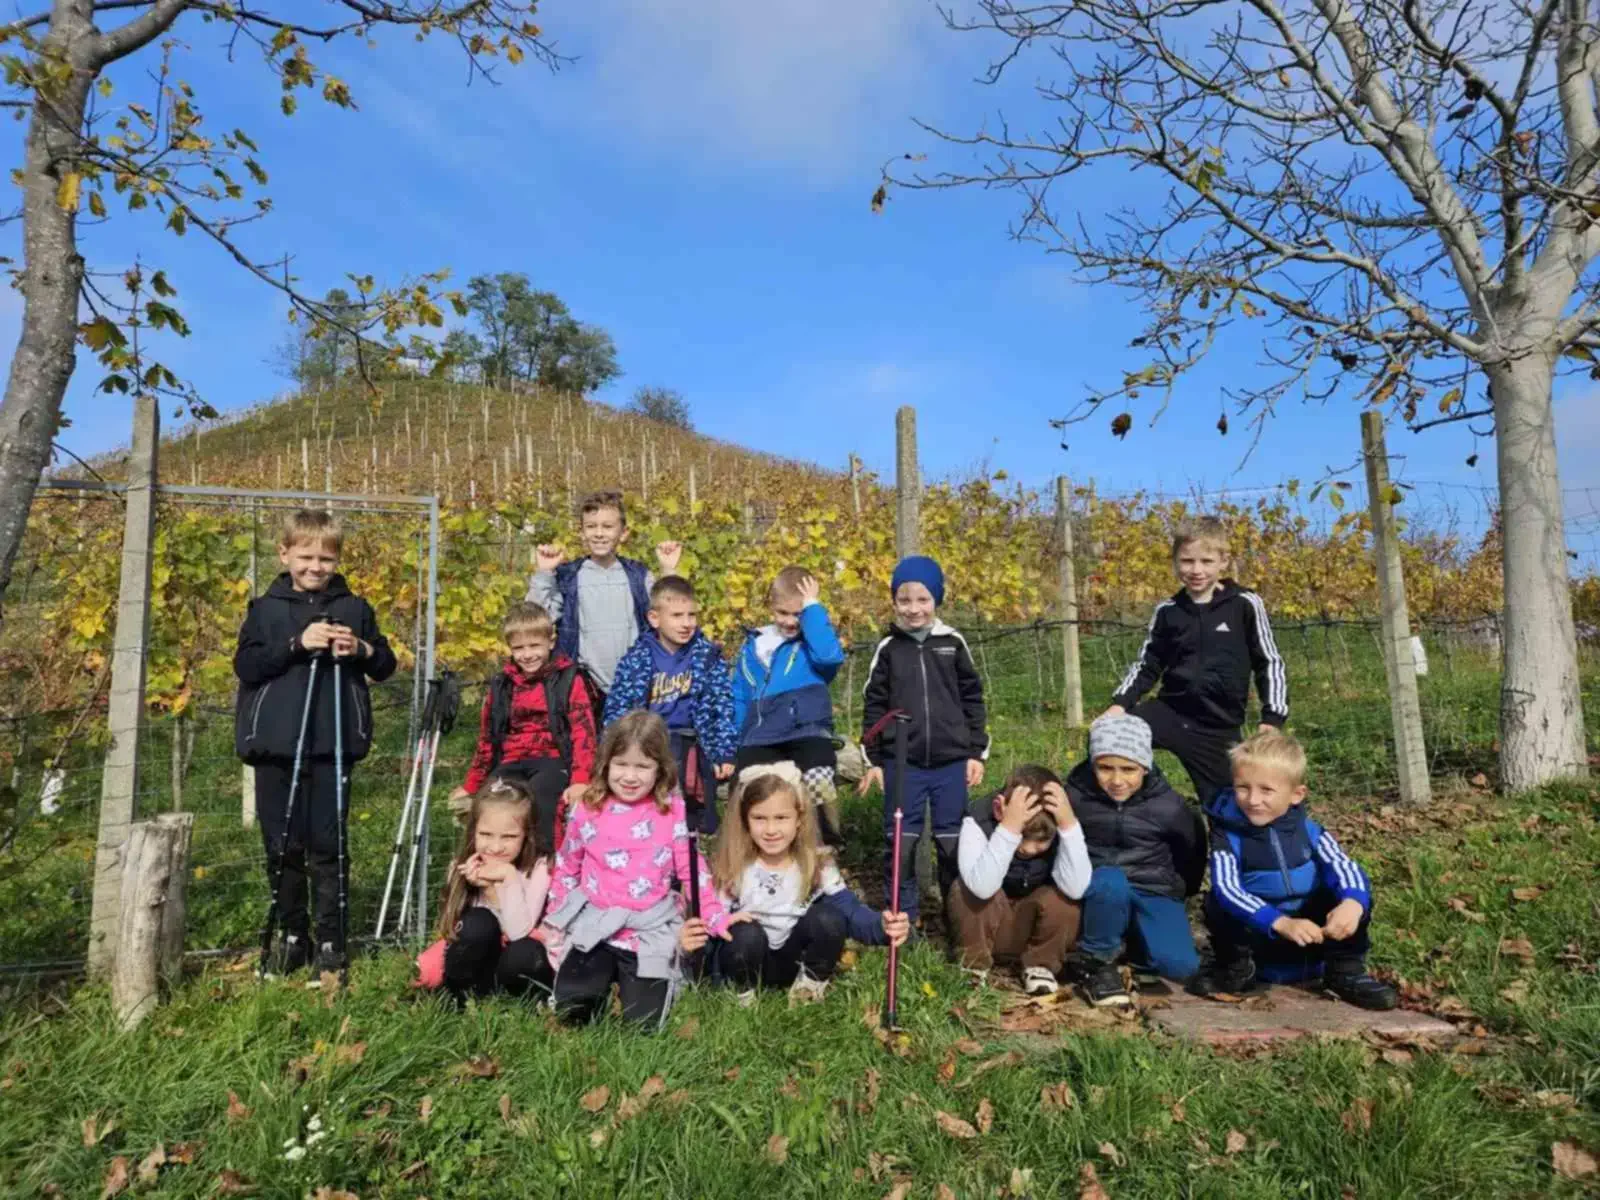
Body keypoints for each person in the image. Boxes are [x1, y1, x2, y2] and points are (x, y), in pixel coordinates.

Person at [234, 508, 396, 976]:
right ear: (285, 554)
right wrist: (296, 644)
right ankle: (291, 934)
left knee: (329, 843)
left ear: (337, 559)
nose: (315, 567)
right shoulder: (265, 609)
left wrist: (361, 650)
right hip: (275, 746)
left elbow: (384, 664)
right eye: (305, 556)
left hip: (333, 744)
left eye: (326, 558)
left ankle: (331, 937)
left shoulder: (353, 608)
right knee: (282, 844)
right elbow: (246, 667)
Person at [542, 710, 729, 1028]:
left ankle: (637, 986)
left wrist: (714, 915)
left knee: (644, 1024)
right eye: (622, 764)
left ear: (659, 769)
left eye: (642, 766)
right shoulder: (589, 806)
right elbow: (567, 864)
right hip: (596, 923)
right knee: (573, 1009)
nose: (630, 776)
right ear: (606, 764)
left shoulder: (670, 809)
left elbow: (691, 869)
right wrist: (555, 914)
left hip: (648, 928)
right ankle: (596, 980)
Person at [1194, 730, 1398, 1009]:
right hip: (1262, 934)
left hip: (1312, 933)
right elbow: (1228, 888)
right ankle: (1237, 968)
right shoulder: (1227, 835)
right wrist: (1278, 922)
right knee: (1219, 902)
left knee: (1352, 891)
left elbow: (1344, 866)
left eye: (1266, 790)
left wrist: (1353, 903)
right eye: (1243, 787)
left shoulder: (1308, 830)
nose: (1253, 800)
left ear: (1296, 795)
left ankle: (1344, 972)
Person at [1101, 515, 1288, 804]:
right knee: (1108, 739)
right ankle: (1132, 814)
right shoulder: (1168, 611)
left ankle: (1224, 844)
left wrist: (1271, 718)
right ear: (1175, 562)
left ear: (1223, 561)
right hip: (1171, 713)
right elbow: (1147, 664)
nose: (1196, 570)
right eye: (1187, 561)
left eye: (1206, 561)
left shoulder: (1245, 605)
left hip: (1218, 726)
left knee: (1229, 804)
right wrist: (1119, 704)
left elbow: (1269, 661)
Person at [703, 764, 909, 1005]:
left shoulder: (816, 864)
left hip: (792, 958)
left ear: (799, 819)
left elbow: (851, 912)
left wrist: (881, 927)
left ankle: (808, 986)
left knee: (828, 918)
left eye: (781, 818)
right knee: (745, 933)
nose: (771, 830)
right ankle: (741, 993)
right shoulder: (734, 866)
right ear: (745, 821)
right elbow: (711, 921)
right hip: (747, 957)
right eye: (760, 818)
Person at [858, 555, 988, 923]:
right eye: (904, 600)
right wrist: (875, 761)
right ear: (894, 602)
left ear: (937, 600)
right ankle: (904, 918)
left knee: (952, 844)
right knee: (901, 843)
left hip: (950, 762)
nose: (913, 609)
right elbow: (874, 707)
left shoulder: (953, 644)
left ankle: (957, 918)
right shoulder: (888, 650)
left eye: (922, 600)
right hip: (904, 764)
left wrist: (975, 752)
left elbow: (973, 700)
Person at [1068, 714, 1206, 1007]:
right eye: (1105, 768)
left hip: (1151, 887)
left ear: (1145, 766)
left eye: (1128, 769)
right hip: (1098, 889)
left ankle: (1138, 948)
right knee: (1110, 881)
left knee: (1180, 966)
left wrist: (1179, 889)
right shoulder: (1074, 797)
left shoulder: (1169, 806)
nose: (1117, 780)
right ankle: (1097, 961)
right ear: (1092, 764)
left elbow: (1190, 853)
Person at [450, 601, 597, 851]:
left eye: (534, 646)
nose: (527, 655)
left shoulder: (569, 679)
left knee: (543, 799)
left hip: (552, 758)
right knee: (495, 802)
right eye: (519, 648)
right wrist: (472, 783)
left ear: (551, 642)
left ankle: (546, 864)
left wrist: (581, 778)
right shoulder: (502, 684)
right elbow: (488, 737)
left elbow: (583, 732)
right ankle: (494, 865)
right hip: (511, 760)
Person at [603, 576, 737, 832]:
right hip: (647, 738)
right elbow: (618, 710)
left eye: (691, 615)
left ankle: (691, 831)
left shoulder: (707, 656)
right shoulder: (637, 659)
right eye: (677, 616)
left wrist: (724, 751)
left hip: (694, 739)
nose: (686, 623)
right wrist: (612, 750)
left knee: (688, 763)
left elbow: (722, 706)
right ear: (655, 618)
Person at [526, 489, 684, 704]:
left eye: (608, 527)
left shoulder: (638, 575)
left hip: (635, 682)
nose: (599, 533)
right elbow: (534, 620)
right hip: (583, 685)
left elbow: (669, 613)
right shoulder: (569, 576)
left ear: (624, 532)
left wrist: (668, 570)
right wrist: (544, 573)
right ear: (581, 532)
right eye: (591, 527)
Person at [947, 764, 1091, 996]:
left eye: (1041, 842)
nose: (1029, 849)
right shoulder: (976, 822)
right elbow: (982, 888)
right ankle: (973, 966)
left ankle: (1040, 965)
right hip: (989, 923)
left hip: (1032, 927)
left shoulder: (1062, 824)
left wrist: (1068, 825)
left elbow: (1077, 889)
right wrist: (1009, 828)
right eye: (1023, 836)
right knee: (965, 888)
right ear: (998, 809)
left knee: (1066, 900)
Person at [731, 566, 848, 846]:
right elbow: (738, 695)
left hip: (805, 731)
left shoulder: (811, 645)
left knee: (817, 778)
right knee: (746, 785)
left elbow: (830, 658)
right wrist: (734, 740)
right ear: (772, 607)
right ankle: (748, 852)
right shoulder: (753, 647)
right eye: (784, 613)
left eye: (798, 614)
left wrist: (813, 610)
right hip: (761, 734)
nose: (790, 621)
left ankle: (824, 845)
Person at [415, 777, 555, 1005]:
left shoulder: (539, 869)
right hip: (480, 963)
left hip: (515, 961)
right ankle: (460, 998)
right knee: (478, 921)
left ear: (526, 835)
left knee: (526, 951)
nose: (496, 847)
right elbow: (456, 931)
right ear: (473, 832)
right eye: (486, 835)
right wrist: (475, 885)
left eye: (509, 837)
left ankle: (522, 1005)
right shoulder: (462, 866)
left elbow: (518, 932)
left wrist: (503, 882)